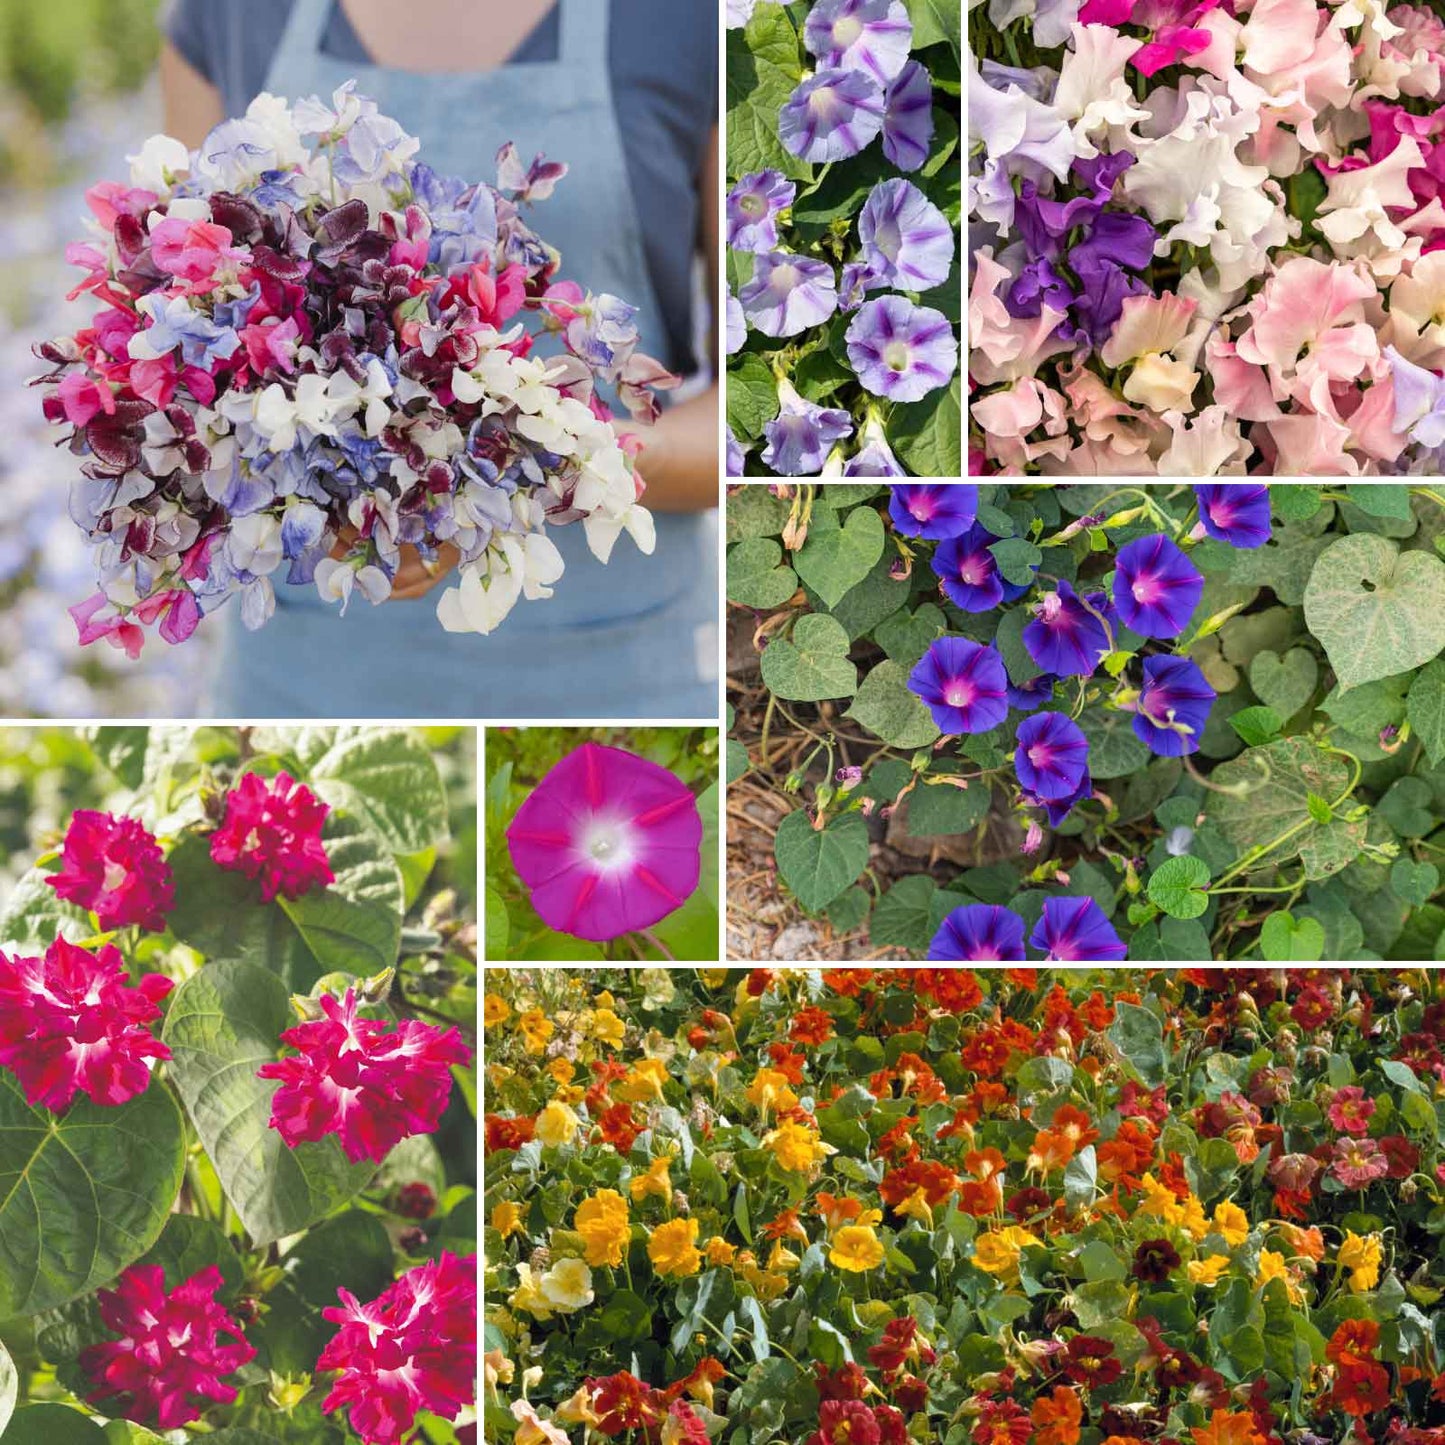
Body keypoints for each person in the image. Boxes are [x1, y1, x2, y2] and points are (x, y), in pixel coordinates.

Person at [160, 0, 719, 717]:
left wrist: (560, 456)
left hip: (617, 672)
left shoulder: (693, 20)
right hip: (305, 682)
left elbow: (750, 422)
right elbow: (184, 327)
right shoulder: (230, 15)